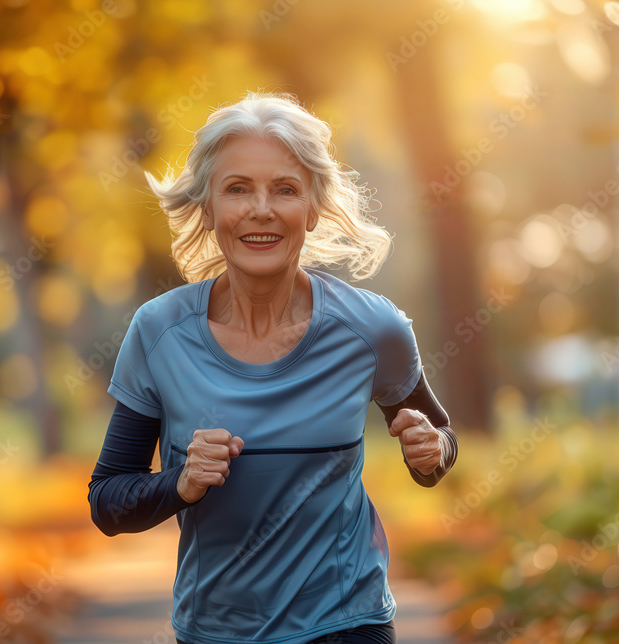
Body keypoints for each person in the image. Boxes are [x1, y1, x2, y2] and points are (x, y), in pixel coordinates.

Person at [88, 91, 458, 644]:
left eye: (284, 189)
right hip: (215, 632)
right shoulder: (159, 332)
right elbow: (108, 502)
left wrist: (432, 452)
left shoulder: (371, 328)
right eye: (238, 189)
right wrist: (181, 484)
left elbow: (439, 445)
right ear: (208, 208)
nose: (261, 209)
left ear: (312, 208)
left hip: (347, 624)